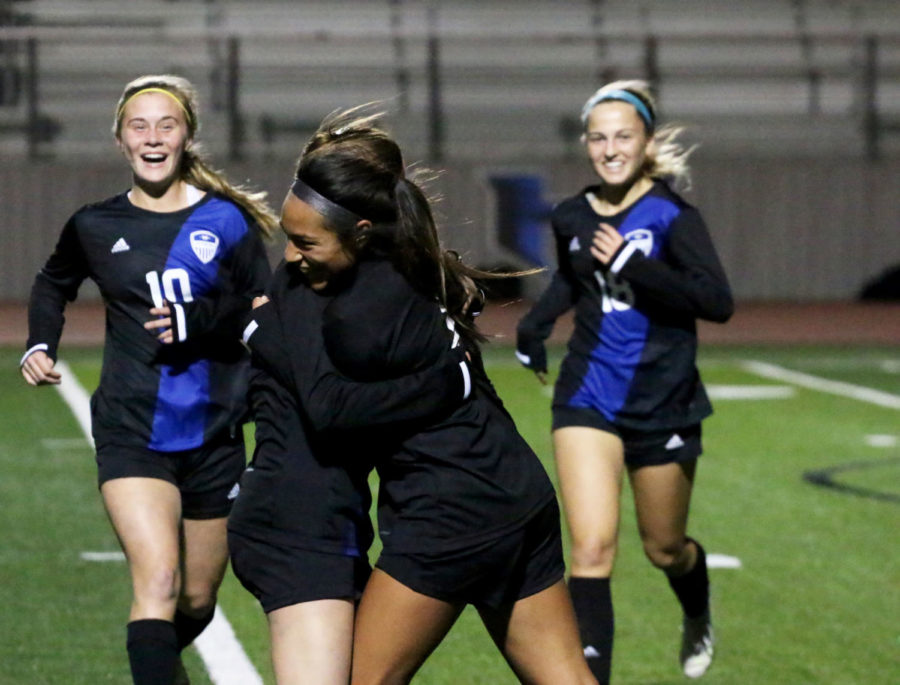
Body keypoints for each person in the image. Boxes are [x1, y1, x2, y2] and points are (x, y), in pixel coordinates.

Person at [257, 107, 596, 685]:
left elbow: (329, 410)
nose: (289, 257)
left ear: (360, 232)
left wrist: (261, 327)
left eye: (304, 242)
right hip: (517, 492)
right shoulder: (419, 261)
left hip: (449, 513)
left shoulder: (351, 305)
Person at [20, 74, 276, 685]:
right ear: (120, 139)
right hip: (131, 428)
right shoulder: (94, 225)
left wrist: (202, 323)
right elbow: (54, 282)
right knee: (157, 582)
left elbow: (265, 314)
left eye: (167, 125)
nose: (153, 137)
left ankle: (153, 657)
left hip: (216, 431)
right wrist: (38, 341)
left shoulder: (229, 222)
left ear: (187, 137)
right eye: (140, 126)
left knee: (196, 599)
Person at [516, 80, 734, 682]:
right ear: (586, 143)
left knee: (665, 548)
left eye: (623, 137)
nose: (610, 149)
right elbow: (574, 278)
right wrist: (535, 324)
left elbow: (717, 302)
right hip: (588, 395)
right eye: (599, 138)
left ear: (647, 142)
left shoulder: (672, 216)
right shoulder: (573, 214)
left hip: (664, 400)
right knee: (589, 552)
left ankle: (696, 606)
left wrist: (636, 265)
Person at [229, 250, 472, 683]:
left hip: (338, 524)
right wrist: (450, 379)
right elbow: (334, 406)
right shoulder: (300, 294)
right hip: (293, 527)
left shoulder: (358, 303)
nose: (291, 252)